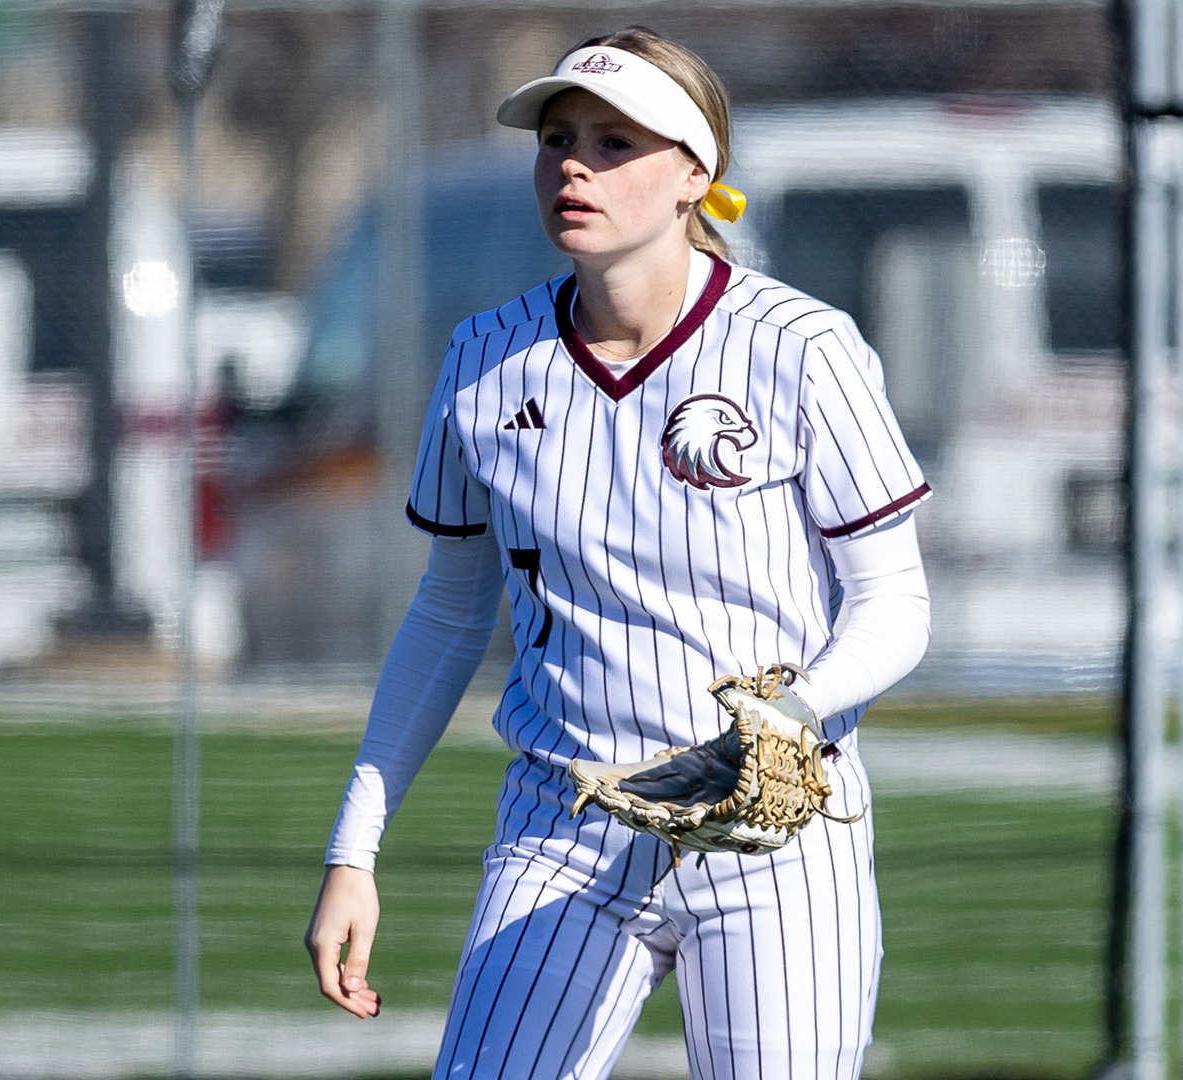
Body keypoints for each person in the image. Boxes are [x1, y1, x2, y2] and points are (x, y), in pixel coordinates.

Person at [306, 26, 932, 1080]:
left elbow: (895, 600)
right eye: (558, 139)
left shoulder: (801, 348)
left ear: (696, 175)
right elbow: (450, 617)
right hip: (562, 825)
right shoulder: (483, 361)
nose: (575, 167)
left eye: (614, 142)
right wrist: (352, 851)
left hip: (775, 831)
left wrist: (794, 714)